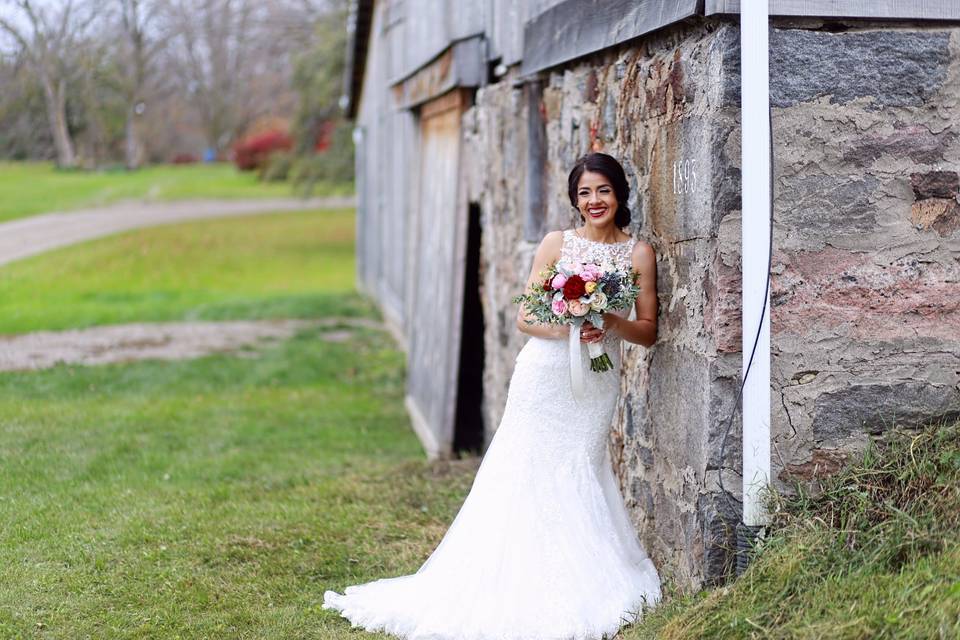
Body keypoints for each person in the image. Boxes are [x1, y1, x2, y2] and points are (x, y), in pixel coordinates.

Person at [322, 152, 662, 639]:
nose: (594, 201)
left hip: (595, 383)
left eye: (603, 191)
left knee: (579, 468)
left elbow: (648, 331)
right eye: (584, 193)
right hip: (543, 376)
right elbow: (525, 317)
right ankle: (509, 579)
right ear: (574, 199)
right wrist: (568, 326)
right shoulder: (555, 244)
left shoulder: (638, 254)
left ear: (619, 195)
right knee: (520, 471)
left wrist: (609, 321)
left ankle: (580, 575)